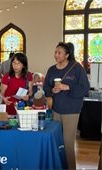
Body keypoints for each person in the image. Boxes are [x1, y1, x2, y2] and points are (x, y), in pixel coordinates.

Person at [43, 42, 90, 170]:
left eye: (59, 52)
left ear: (67, 55)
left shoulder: (77, 68)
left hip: (71, 111)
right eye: (55, 52)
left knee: (68, 144)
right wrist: (52, 90)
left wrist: (67, 87)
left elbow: (85, 89)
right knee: (56, 141)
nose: (56, 55)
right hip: (56, 110)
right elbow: (46, 88)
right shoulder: (51, 69)